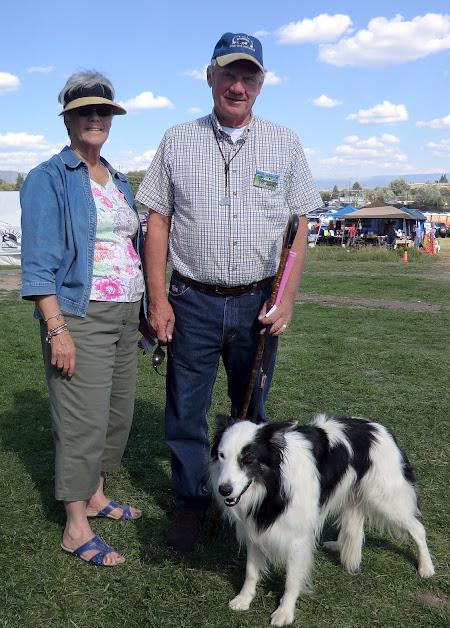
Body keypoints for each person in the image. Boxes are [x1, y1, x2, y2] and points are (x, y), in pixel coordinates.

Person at [136, 32, 322, 552]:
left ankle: (250, 507)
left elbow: (298, 227)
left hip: (256, 303)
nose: (237, 86)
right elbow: (157, 222)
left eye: (248, 77)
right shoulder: (177, 139)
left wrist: (285, 298)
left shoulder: (284, 142)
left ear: (260, 84)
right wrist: (159, 299)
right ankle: (192, 506)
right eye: (229, 74)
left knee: (251, 413)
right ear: (210, 76)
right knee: (185, 413)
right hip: (191, 299)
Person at [21, 71, 146, 566]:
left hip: (125, 313)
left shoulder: (118, 179)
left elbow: (128, 244)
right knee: (80, 420)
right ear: (68, 118)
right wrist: (57, 329)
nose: (95, 118)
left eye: (104, 112)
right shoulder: (48, 178)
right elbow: (38, 262)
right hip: (80, 313)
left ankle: (96, 496)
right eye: (84, 111)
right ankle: (75, 526)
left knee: (116, 416)